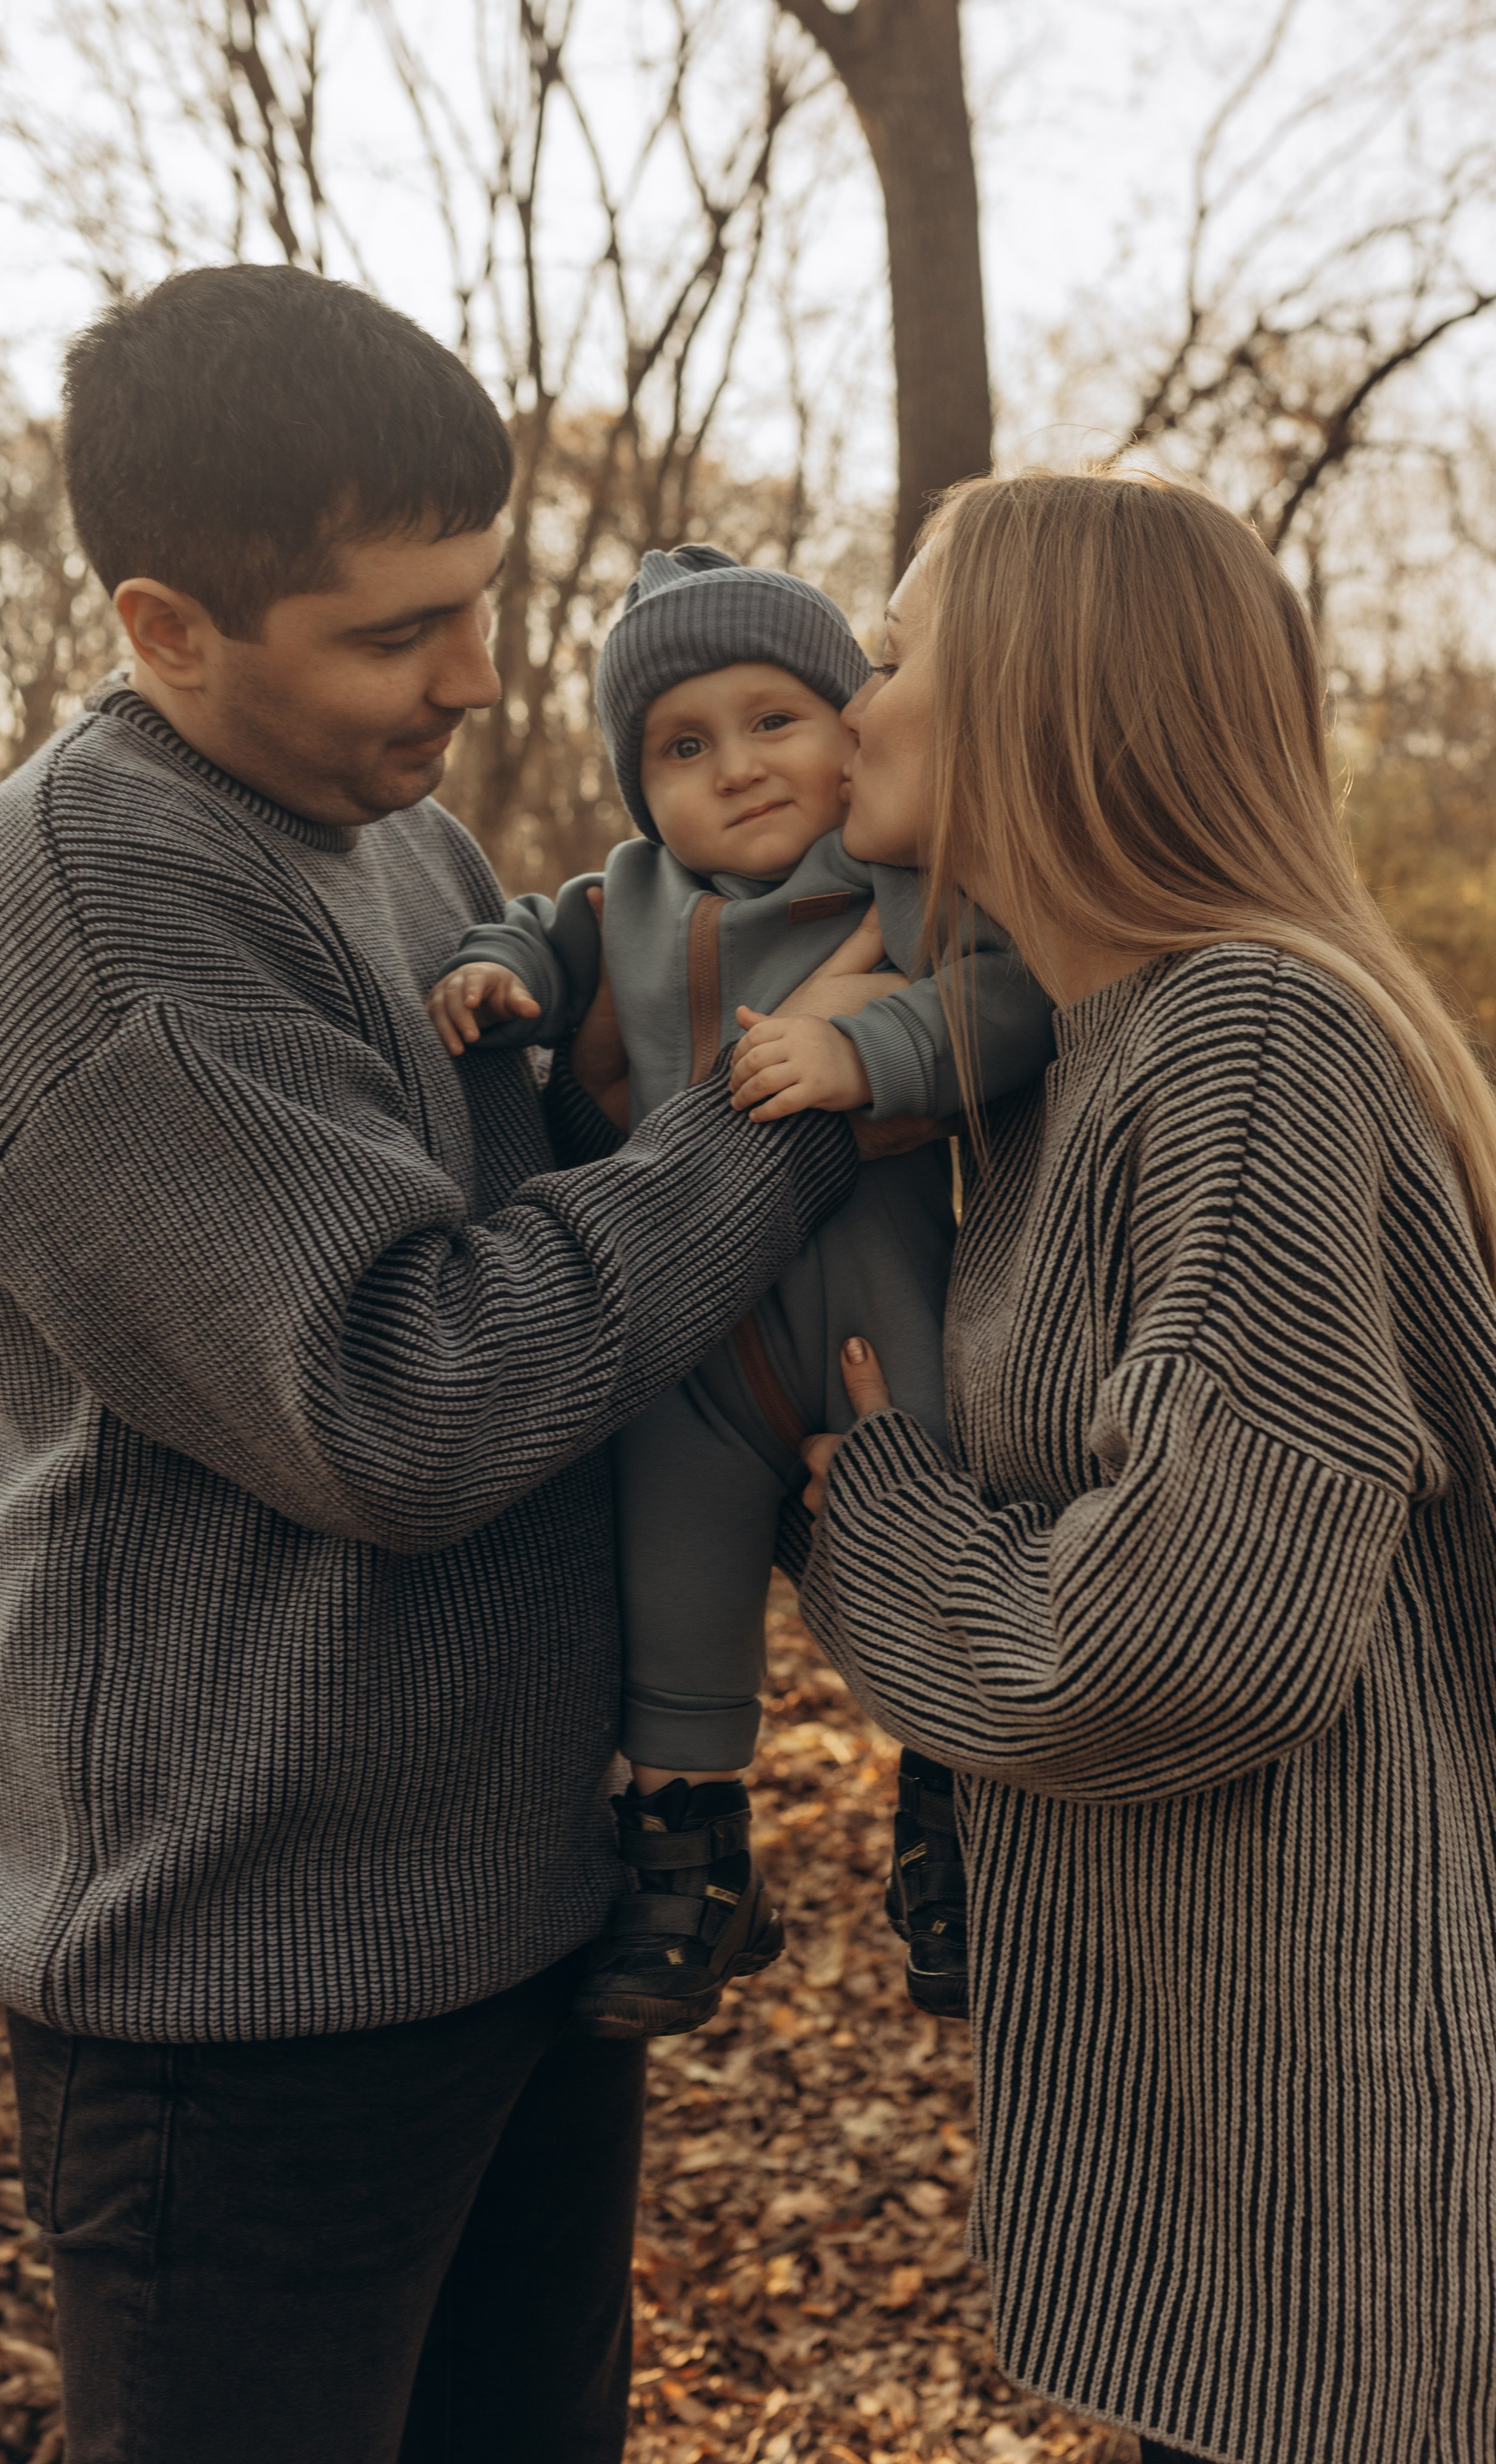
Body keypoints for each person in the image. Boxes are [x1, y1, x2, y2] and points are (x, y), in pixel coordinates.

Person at [0, 263, 877, 2464]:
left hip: (512, 1908)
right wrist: (806, 1113)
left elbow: (591, 1269)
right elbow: (409, 1390)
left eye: (481, 598)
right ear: (166, 625)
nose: (473, 676)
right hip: (248, 1989)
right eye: (394, 633)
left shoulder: (401, 842)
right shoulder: (96, 924)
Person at [794, 467, 1496, 2464]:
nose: (847, 695)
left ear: (1042, 700)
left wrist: (864, 1506)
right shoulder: (1095, 1059)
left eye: (891, 652)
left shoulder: (1244, 1040)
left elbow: (1179, 1642)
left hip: (1349, 2154)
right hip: (1242, 2123)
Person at [425, 544, 1054, 2036]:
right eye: (683, 746)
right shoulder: (625, 895)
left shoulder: (902, 878)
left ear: (854, 726)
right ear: (642, 790)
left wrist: (864, 1052)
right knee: (676, 1605)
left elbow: (1006, 999)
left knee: (932, 1566)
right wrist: (487, 972)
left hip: (876, 1319)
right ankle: (689, 1870)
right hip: (689, 1353)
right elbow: (532, 925)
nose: (740, 767)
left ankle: (955, 1841)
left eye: (778, 718)